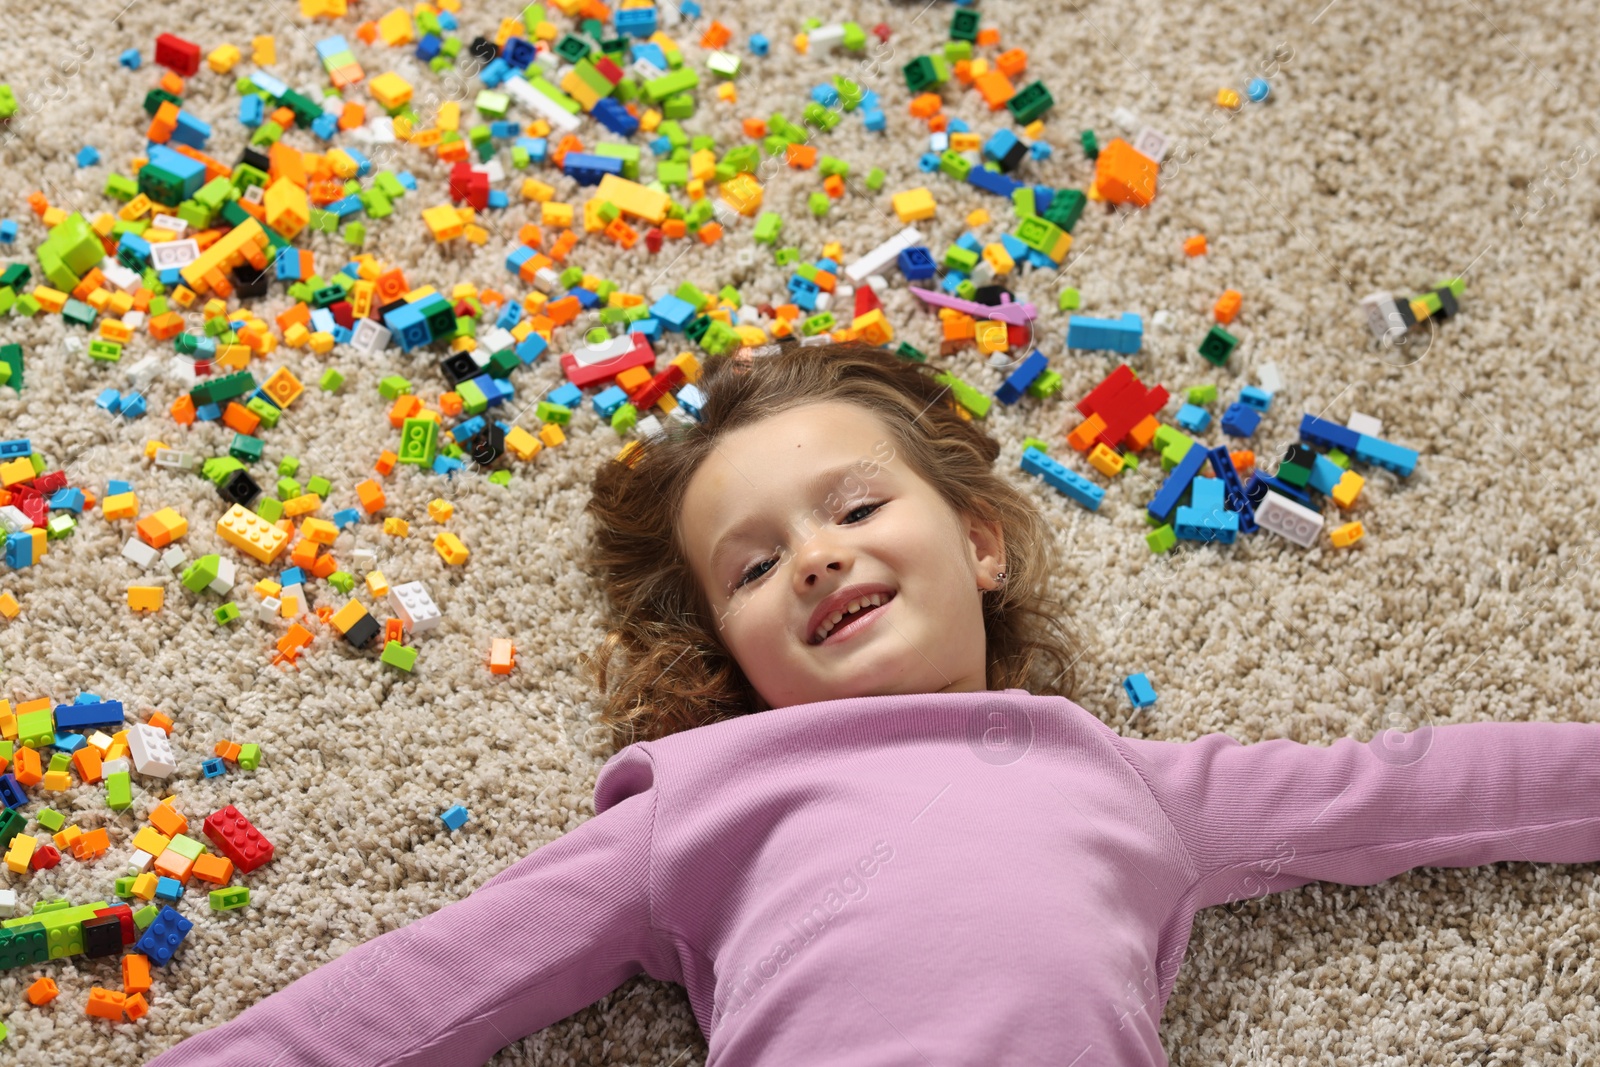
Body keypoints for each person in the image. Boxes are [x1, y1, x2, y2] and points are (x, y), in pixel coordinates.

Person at [148, 342, 1600, 1066]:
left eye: (854, 506)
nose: (820, 554)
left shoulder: (1116, 771)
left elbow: (1412, 785)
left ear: (977, 541)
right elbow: (433, 981)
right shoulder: (702, 803)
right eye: (758, 563)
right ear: (729, 656)